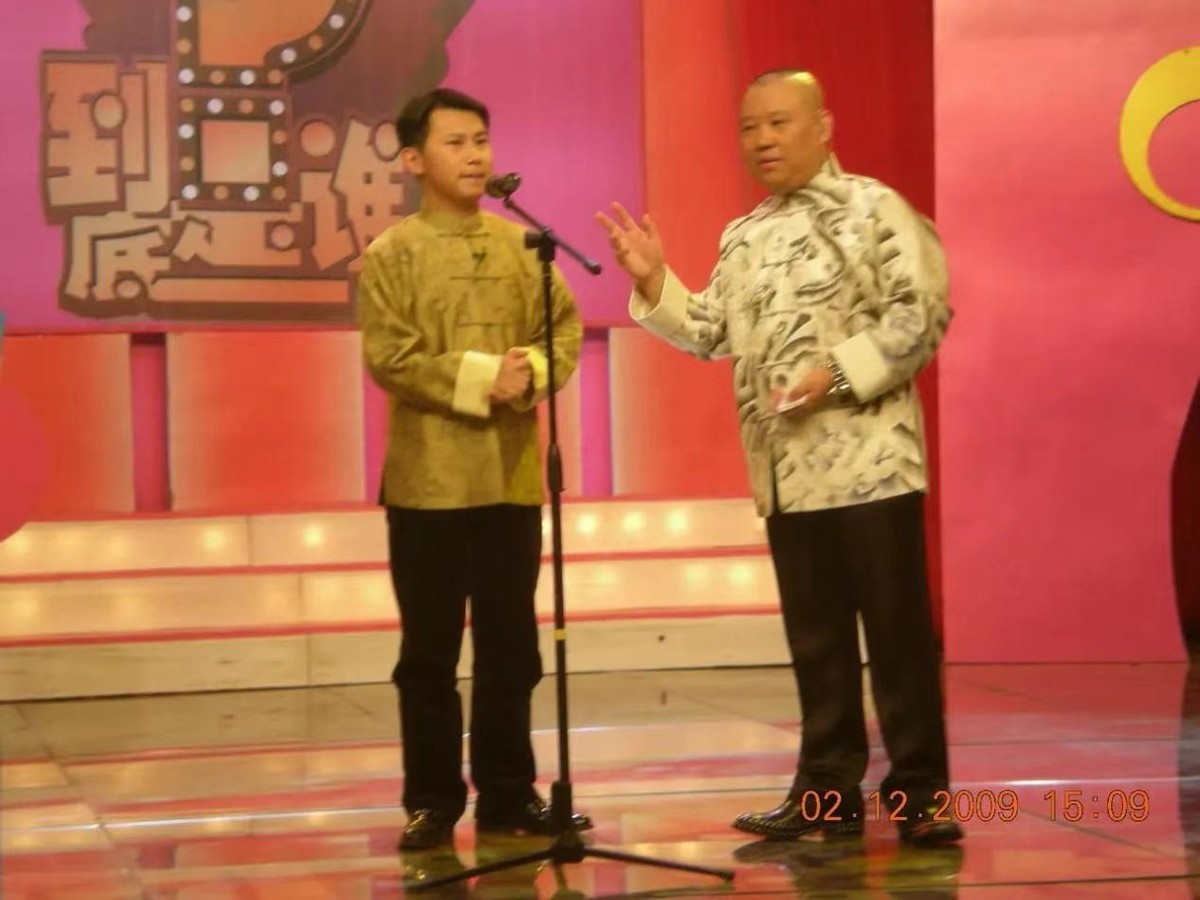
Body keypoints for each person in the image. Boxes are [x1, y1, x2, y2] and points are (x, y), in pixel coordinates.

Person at [596, 70, 962, 846]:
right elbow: (710, 332)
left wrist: (834, 374)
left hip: (872, 467)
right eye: (749, 127)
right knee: (817, 645)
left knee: (896, 638)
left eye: (779, 123)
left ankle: (921, 795)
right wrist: (656, 280)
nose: (762, 140)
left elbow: (922, 313)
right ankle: (827, 793)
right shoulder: (745, 235)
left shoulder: (875, 209)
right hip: (786, 476)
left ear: (822, 126)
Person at [359, 87, 589, 850]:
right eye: (455, 142)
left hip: (509, 478)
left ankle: (509, 792)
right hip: (427, 486)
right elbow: (390, 357)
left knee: (511, 650)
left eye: (481, 140)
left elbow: (563, 332)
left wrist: (534, 373)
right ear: (414, 159)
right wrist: (483, 377)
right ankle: (431, 800)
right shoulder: (391, 255)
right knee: (429, 654)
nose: (474, 155)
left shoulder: (526, 247)